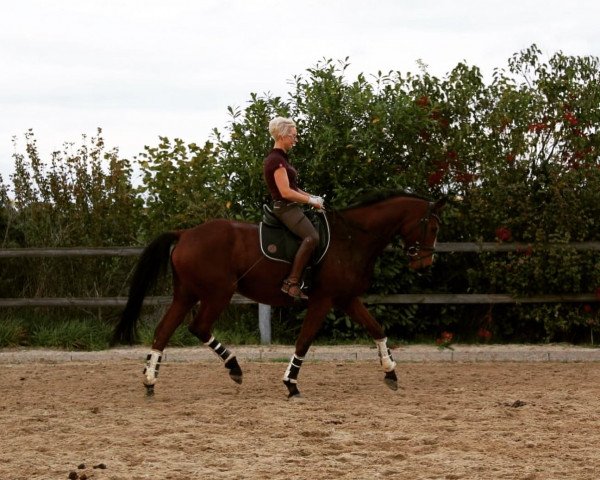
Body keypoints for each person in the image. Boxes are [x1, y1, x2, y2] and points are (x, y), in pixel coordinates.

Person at [263, 117, 324, 300]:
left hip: (291, 206)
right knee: (312, 237)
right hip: (285, 208)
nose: (295, 140)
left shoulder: (282, 159)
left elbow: (294, 189)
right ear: (282, 135)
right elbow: (286, 192)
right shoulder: (276, 160)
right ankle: (291, 282)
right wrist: (310, 201)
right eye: (293, 136)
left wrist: (313, 198)